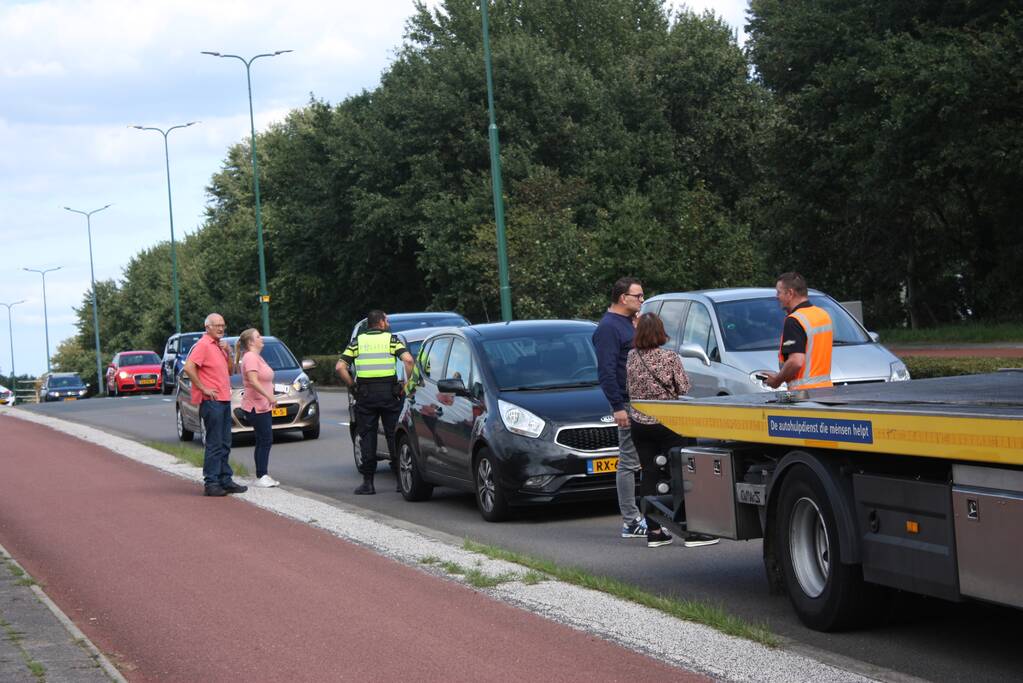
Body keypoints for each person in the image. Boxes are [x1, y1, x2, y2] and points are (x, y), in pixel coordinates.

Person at [627, 313, 719, 548]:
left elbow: (629, 387)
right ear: (660, 332)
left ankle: (654, 531)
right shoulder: (670, 357)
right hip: (668, 422)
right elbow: (684, 386)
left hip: (639, 423)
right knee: (681, 474)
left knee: (648, 473)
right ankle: (692, 530)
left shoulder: (631, 357)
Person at [336, 310, 414, 495]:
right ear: (380, 322)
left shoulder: (358, 343)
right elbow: (408, 360)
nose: (388, 322)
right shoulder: (391, 340)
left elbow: (340, 366)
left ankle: (368, 483)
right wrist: (406, 385)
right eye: (386, 320)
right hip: (389, 394)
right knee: (392, 435)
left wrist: (352, 386)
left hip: (365, 395)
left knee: (367, 437)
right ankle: (399, 481)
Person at [593, 276, 647, 539]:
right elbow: (606, 370)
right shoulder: (608, 328)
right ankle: (631, 519)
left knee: (644, 458)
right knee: (628, 461)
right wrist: (618, 406)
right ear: (623, 298)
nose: (642, 300)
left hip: (643, 401)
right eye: (638, 296)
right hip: (627, 401)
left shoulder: (628, 323)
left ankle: (649, 512)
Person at [182, 313, 247, 497]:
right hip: (212, 402)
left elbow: (230, 371)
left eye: (223, 325)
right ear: (207, 327)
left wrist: (229, 352)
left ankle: (225, 479)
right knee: (214, 443)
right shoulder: (203, 345)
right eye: (216, 325)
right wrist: (203, 388)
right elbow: (189, 367)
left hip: (224, 399)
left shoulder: (219, 346)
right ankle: (211, 483)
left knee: (225, 442)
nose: (220, 328)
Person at [763, 272, 834, 391]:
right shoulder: (823, 315)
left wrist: (777, 380)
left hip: (803, 395)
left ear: (790, 293)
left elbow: (796, 361)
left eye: (779, 292)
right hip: (826, 391)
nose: (777, 297)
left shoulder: (794, 320)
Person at [236, 328, 279, 488]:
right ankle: (262, 475)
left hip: (262, 405)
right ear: (251, 342)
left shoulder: (256, 357)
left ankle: (262, 474)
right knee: (265, 439)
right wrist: (269, 397)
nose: (262, 339)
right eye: (258, 336)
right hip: (256, 406)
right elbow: (253, 381)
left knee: (263, 439)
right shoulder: (251, 357)